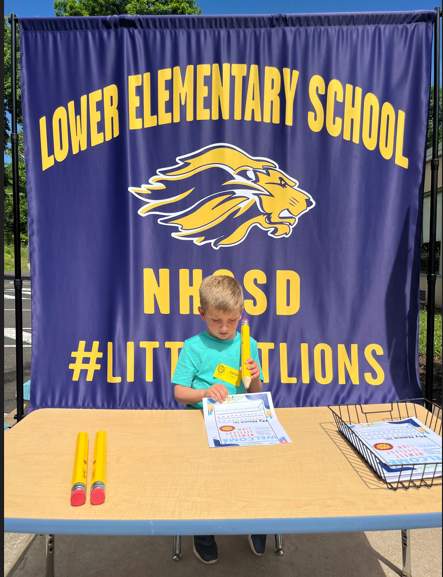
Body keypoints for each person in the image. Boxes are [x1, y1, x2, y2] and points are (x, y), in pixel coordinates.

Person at [173, 274, 267, 564]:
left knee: (252, 476)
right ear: (202, 314)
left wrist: (253, 378)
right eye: (216, 321)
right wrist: (204, 393)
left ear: (241, 314)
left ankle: (256, 523)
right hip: (200, 425)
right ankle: (203, 532)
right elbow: (179, 393)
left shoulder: (248, 345)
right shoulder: (192, 347)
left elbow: (257, 390)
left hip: (240, 423)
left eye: (231, 320)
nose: (224, 328)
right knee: (204, 481)